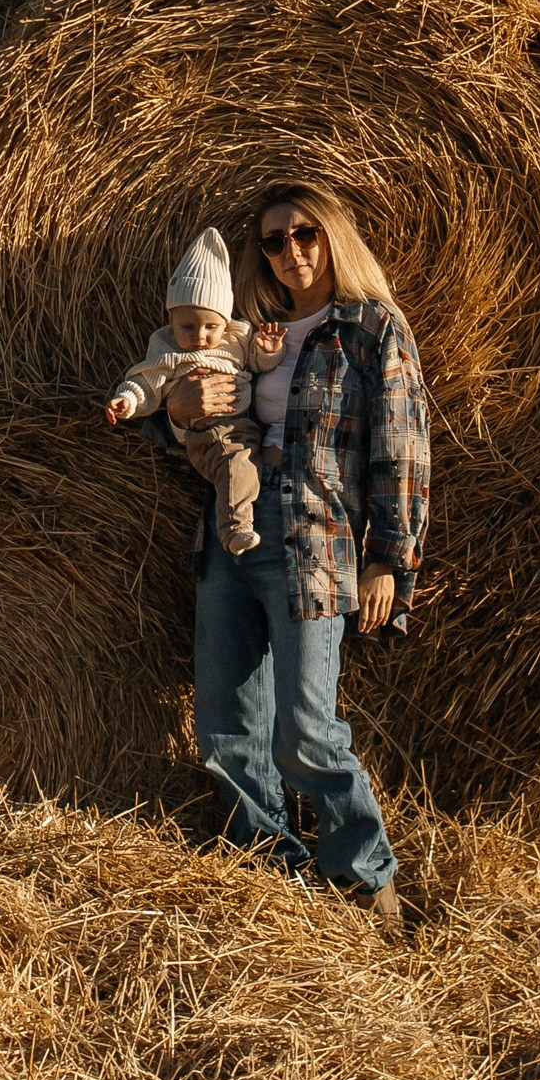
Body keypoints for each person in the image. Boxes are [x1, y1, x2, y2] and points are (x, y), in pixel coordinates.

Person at [165, 179, 428, 940]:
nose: (290, 252)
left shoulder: (372, 329)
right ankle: (268, 872)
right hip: (230, 532)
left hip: (313, 539)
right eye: (274, 241)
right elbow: (189, 428)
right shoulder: (243, 331)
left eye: (305, 233)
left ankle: (366, 877)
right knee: (225, 725)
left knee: (306, 732)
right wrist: (179, 413)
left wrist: (389, 560)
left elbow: (403, 449)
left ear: (334, 236)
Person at [103, 222, 283, 557]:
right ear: (171, 321)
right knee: (236, 464)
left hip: (242, 426)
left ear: (225, 321)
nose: (200, 336)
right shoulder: (168, 351)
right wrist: (125, 402)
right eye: (188, 326)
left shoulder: (237, 337)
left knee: (247, 463)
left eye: (211, 326)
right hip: (206, 433)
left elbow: (259, 364)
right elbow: (145, 383)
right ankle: (235, 529)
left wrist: (269, 349)